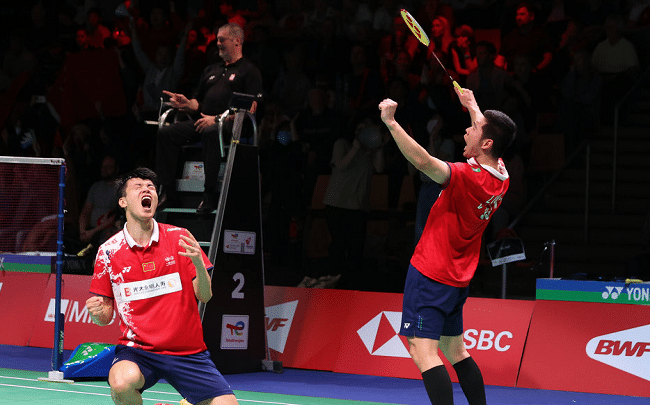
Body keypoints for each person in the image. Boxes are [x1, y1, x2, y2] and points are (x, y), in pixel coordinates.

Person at [378, 85, 516, 405]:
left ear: (487, 143)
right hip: (457, 278)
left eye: (473, 129)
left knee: (422, 351)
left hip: (431, 273)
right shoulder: (501, 175)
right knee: (455, 350)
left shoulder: (467, 177)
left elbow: (423, 161)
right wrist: (472, 105)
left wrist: (391, 123)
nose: (467, 130)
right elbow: (485, 131)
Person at [85, 167, 239, 405]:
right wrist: (97, 313)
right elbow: (104, 317)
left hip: (187, 351)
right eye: (138, 187)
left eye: (151, 187)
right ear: (123, 202)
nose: (146, 190)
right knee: (121, 382)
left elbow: (205, 296)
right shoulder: (109, 251)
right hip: (138, 351)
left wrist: (199, 265)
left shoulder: (179, 237)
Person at [155, 22, 263, 214]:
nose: (218, 44)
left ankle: (208, 195)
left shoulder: (249, 71)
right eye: (217, 40)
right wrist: (187, 103)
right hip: (203, 121)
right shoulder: (211, 70)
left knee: (211, 131)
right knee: (166, 133)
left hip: (233, 125)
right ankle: (168, 192)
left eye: (222, 40)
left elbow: (250, 107)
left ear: (237, 41)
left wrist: (217, 119)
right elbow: (199, 103)